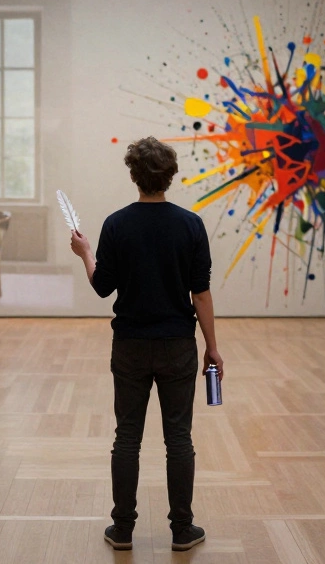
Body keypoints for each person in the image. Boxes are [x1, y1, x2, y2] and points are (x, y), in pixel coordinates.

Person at [69, 137, 223, 553]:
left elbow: (102, 287)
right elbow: (201, 294)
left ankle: (122, 530)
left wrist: (85, 253)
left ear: (133, 174)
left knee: (127, 438)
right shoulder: (190, 224)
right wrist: (212, 346)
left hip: (131, 346)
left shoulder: (117, 224)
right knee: (179, 439)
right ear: (169, 175)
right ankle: (181, 531)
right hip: (177, 346)